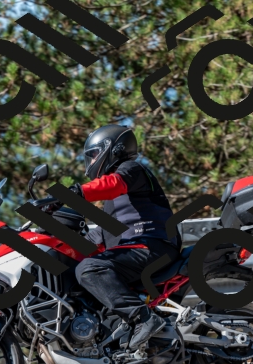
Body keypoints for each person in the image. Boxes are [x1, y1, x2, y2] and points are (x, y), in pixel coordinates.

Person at [67, 124, 180, 351]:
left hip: (153, 244)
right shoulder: (116, 202)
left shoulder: (131, 170)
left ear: (113, 149)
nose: (92, 161)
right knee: (79, 267)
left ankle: (143, 319)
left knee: (90, 269)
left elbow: (113, 184)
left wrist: (77, 192)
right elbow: (102, 234)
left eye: (94, 155)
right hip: (138, 248)